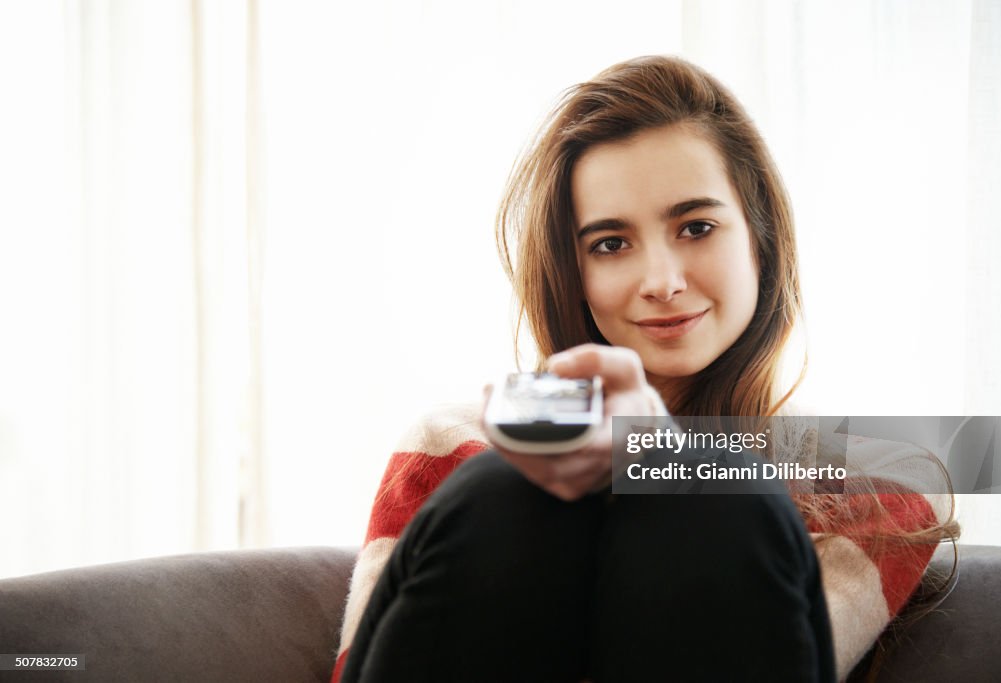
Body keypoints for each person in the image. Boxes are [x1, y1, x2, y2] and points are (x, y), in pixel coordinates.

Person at [329, 55, 959, 682]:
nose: (661, 281)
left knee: (721, 498)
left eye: (697, 226)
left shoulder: (875, 475)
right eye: (610, 244)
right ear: (574, 276)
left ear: (759, 241)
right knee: (509, 487)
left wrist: (655, 457)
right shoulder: (452, 442)